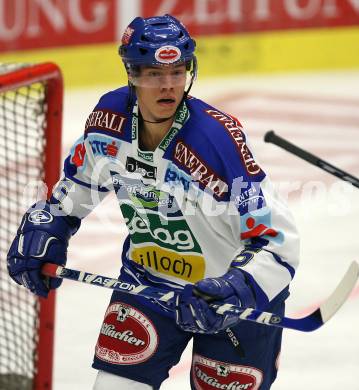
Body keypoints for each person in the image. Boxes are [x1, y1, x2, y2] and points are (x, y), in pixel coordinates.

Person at [7, 14, 299, 390]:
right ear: (131, 73)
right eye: (154, 74)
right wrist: (49, 223)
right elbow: (77, 186)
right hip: (148, 285)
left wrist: (237, 286)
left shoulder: (216, 140)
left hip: (228, 304)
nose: (168, 86)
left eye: (178, 72)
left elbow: (277, 241)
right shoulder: (108, 119)